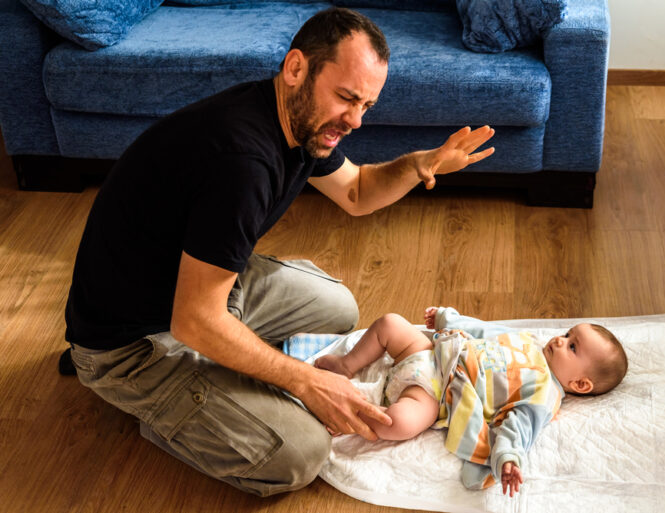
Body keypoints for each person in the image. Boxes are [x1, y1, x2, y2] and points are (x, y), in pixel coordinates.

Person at [63, 7, 495, 496]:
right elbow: (193, 321)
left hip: (186, 291)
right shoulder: (242, 160)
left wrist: (420, 164)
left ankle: (222, 361)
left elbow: (355, 191)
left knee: (339, 308)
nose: (353, 120)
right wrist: (304, 381)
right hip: (131, 347)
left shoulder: (302, 120)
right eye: (347, 98)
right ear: (297, 69)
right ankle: (159, 408)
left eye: (365, 106)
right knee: (300, 455)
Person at [314, 306, 628, 497]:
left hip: (435, 393)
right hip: (428, 352)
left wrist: (507, 458)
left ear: (580, 384)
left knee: (401, 422)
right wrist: (448, 318)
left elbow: (519, 429)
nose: (559, 340)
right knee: (390, 323)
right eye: (566, 334)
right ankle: (346, 366)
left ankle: (352, 415)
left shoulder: (544, 395)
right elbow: (486, 331)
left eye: (572, 347)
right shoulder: (530, 342)